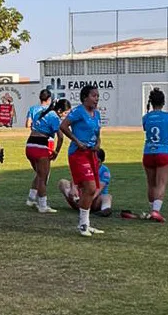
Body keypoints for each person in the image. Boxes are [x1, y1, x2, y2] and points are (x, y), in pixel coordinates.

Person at [59, 85, 105, 237]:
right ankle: (83, 225)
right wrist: (77, 141)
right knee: (90, 188)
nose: (96, 98)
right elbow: (63, 126)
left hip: (91, 154)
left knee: (90, 190)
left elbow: (97, 133)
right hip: (78, 154)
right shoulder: (78, 112)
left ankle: (85, 224)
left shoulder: (96, 114)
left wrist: (98, 143)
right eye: (93, 95)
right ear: (85, 97)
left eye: (97, 96)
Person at [25, 98, 71, 213]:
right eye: (65, 113)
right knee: (43, 177)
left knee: (40, 174)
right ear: (59, 110)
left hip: (29, 145)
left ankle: (31, 198)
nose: (64, 116)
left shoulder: (42, 112)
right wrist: (56, 151)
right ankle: (42, 206)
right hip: (40, 146)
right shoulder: (54, 117)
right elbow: (60, 137)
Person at [142, 88, 168, 223]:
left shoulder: (146, 117)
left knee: (151, 183)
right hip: (163, 151)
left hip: (148, 152)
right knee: (161, 183)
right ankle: (156, 211)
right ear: (163, 102)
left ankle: (152, 210)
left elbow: (146, 129)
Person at [58, 148, 112, 216]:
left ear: (99, 161)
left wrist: (87, 200)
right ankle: (76, 201)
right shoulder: (85, 166)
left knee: (107, 196)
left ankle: (105, 209)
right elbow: (75, 179)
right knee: (63, 182)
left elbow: (99, 189)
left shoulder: (104, 171)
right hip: (80, 197)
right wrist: (73, 189)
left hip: (94, 200)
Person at [25, 89, 54, 204]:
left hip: (32, 140)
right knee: (44, 173)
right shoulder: (50, 111)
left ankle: (32, 197)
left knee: (39, 172)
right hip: (46, 141)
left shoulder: (33, 109)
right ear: (49, 99)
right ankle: (40, 200)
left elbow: (28, 124)